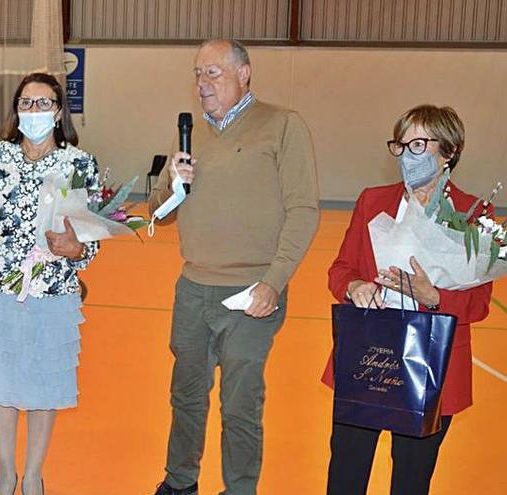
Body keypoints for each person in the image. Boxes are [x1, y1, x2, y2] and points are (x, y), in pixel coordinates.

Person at [148, 39, 320, 495]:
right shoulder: (189, 134)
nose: (202, 83)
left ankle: (240, 489)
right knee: (184, 396)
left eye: (214, 73)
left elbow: (303, 210)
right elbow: (157, 213)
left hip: (251, 291)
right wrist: (171, 185)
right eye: (198, 73)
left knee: (240, 404)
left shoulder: (282, 124)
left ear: (244, 73)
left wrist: (275, 281)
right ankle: (180, 481)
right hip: (193, 287)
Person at [322, 105, 493, 495]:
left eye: (418, 144)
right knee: (346, 474)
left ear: (448, 151)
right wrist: (355, 287)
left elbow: (480, 303)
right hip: (368, 356)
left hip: (432, 368)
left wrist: (435, 297)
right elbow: (340, 271)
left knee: (411, 481)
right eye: (401, 145)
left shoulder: (472, 214)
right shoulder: (371, 201)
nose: (406, 155)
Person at [0, 72, 100, 495]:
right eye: (26, 103)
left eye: (43, 103)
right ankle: (5, 473)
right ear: (16, 110)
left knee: (45, 386)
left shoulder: (77, 163)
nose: (34, 111)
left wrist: (75, 249)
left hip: (52, 293)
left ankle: (34, 474)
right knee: (0, 385)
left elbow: (89, 242)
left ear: (59, 112)